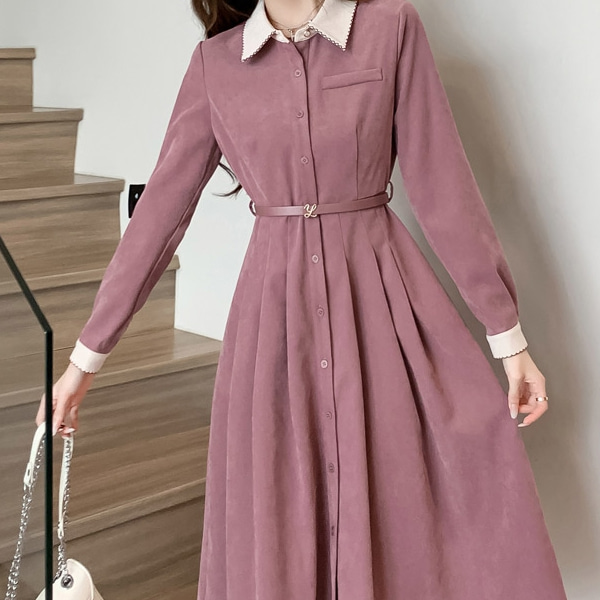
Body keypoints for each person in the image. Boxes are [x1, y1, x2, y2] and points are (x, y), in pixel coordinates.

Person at [37, 0, 568, 598]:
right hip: (274, 325)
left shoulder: (390, 27)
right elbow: (158, 217)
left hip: (384, 309)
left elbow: (444, 187)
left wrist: (507, 337)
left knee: (410, 501)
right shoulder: (215, 64)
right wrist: (85, 360)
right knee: (284, 512)